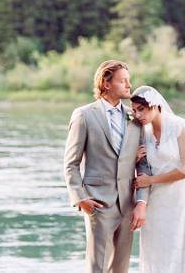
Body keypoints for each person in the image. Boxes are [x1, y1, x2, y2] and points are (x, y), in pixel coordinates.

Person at [64, 60, 150, 273]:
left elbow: (144, 165)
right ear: (106, 83)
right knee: (97, 267)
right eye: (123, 81)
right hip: (98, 203)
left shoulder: (135, 118)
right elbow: (71, 163)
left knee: (120, 268)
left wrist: (141, 202)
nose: (129, 86)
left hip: (127, 204)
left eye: (129, 81)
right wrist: (80, 198)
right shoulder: (84, 115)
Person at [130, 85, 185, 273]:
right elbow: (141, 167)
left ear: (155, 106)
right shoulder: (144, 133)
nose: (137, 115)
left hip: (177, 201)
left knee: (176, 252)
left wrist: (151, 180)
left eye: (141, 109)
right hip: (153, 204)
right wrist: (133, 158)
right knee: (153, 254)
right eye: (134, 110)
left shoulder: (181, 128)